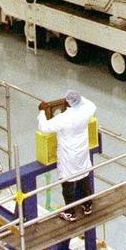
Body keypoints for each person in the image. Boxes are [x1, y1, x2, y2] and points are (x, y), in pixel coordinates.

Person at [38, 90, 98, 222]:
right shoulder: (86, 111)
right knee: (84, 176)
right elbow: (92, 105)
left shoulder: (63, 118)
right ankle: (87, 205)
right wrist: (79, 97)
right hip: (82, 151)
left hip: (68, 154)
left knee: (68, 182)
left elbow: (44, 127)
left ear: (67, 103)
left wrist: (42, 111)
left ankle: (70, 212)